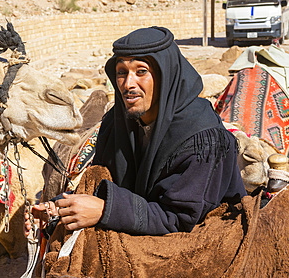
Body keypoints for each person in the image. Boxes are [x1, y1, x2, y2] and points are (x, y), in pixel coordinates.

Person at [25, 26, 247, 238]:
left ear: (165, 76)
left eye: (141, 71)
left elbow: (179, 219)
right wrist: (59, 208)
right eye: (122, 72)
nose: (128, 84)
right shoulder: (116, 123)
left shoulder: (203, 139)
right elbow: (101, 182)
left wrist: (105, 210)